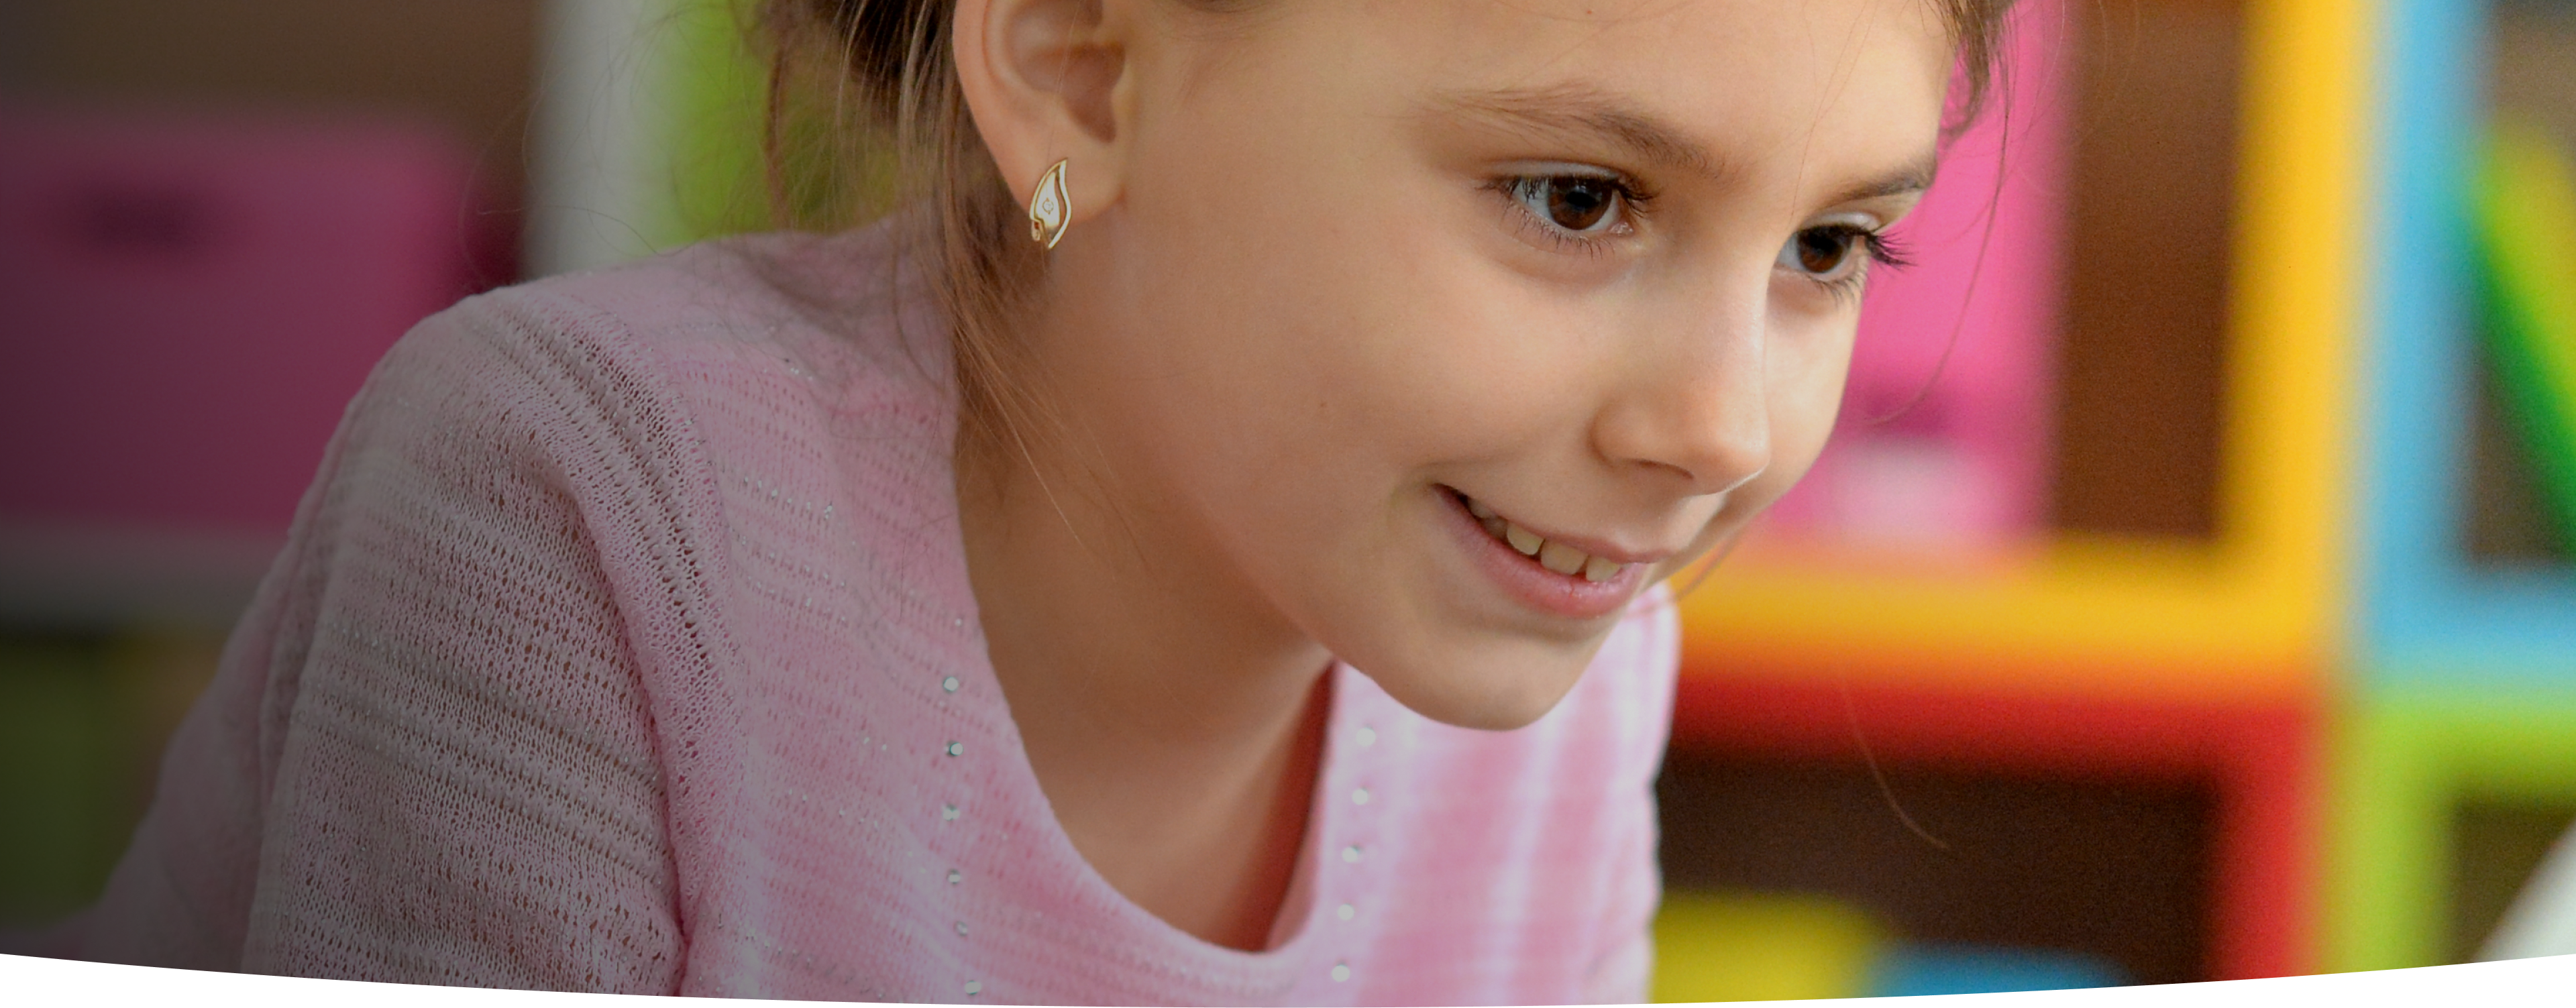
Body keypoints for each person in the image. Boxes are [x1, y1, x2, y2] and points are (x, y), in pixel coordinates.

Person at [25, 0, 2011, 999]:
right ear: (1076, 68)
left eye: (1833, 245)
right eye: (1579, 201)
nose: (1726, 425)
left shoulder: (1569, 657)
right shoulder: (578, 510)